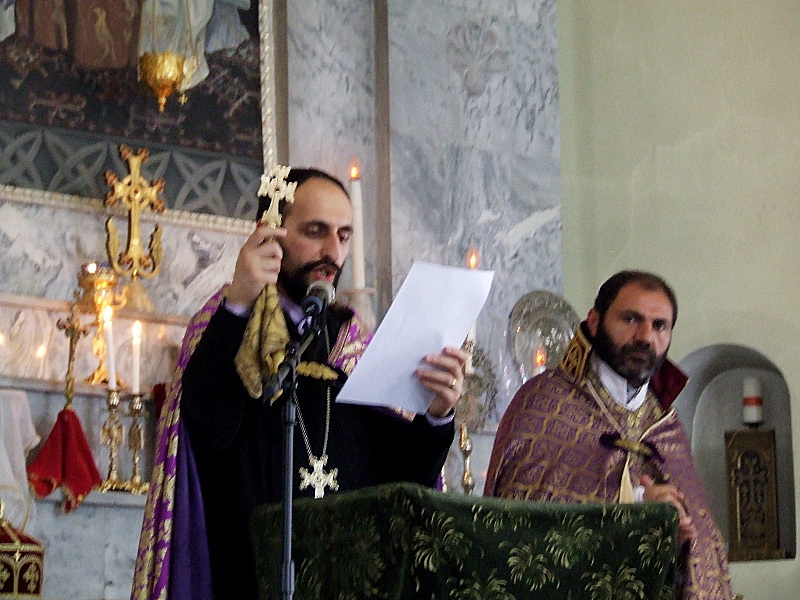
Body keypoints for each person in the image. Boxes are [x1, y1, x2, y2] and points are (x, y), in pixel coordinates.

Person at [131, 167, 467, 600]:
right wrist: (238, 303)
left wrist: (437, 415)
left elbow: (403, 483)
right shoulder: (226, 325)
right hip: (249, 577)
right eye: (315, 231)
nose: (333, 252)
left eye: (344, 236)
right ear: (270, 234)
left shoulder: (353, 344)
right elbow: (205, 437)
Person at [484, 271, 733, 600]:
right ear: (594, 321)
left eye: (660, 326)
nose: (645, 336)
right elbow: (525, 526)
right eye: (630, 319)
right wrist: (641, 509)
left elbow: (703, 551)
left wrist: (677, 530)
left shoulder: (666, 424)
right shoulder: (544, 403)